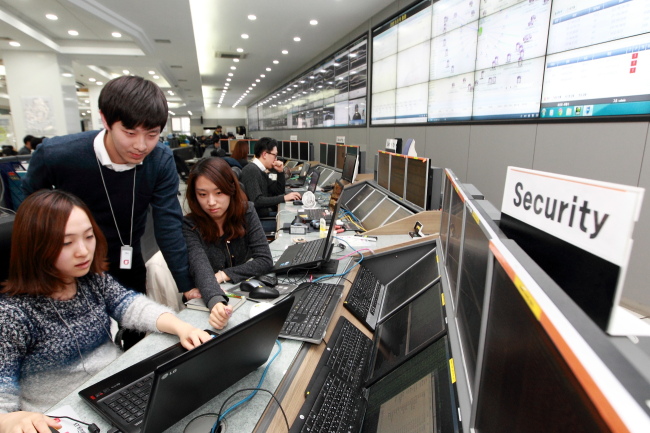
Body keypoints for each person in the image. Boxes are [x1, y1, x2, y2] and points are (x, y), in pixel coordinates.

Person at [0, 190, 211, 432]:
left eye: (88, 237)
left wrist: (181, 326)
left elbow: (133, 306)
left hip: (114, 386)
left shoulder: (91, 279)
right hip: (62, 413)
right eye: (66, 242)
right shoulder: (12, 315)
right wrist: (8, 420)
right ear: (35, 247)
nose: (83, 251)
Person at [21, 75, 198, 350]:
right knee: (84, 342)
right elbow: (30, 212)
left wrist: (188, 285)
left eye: (152, 135)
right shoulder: (57, 155)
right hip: (73, 260)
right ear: (105, 120)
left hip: (127, 253)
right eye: (130, 133)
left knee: (138, 330)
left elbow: (169, 226)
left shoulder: (160, 160)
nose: (141, 145)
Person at [183, 158, 272, 328]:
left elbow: (265, 260)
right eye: (202, 194)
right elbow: (201, 267)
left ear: (231, 190)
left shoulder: (247, 211)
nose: (211, 202)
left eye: (219, 193)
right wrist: (217, 302)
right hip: (204, 302)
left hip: (237, 296)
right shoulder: (189, 225)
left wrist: (223, 274)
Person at [240, 138, 301, 231]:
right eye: (274, 155)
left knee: (293, 219)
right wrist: (284, 198)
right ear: (264, 154)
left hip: (263, 215)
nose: (276, 159)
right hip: (256, 222)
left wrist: (280, 172)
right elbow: (257, 201)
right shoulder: (251, 171)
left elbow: (278, 191)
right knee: (294, 227)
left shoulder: (260, 171)